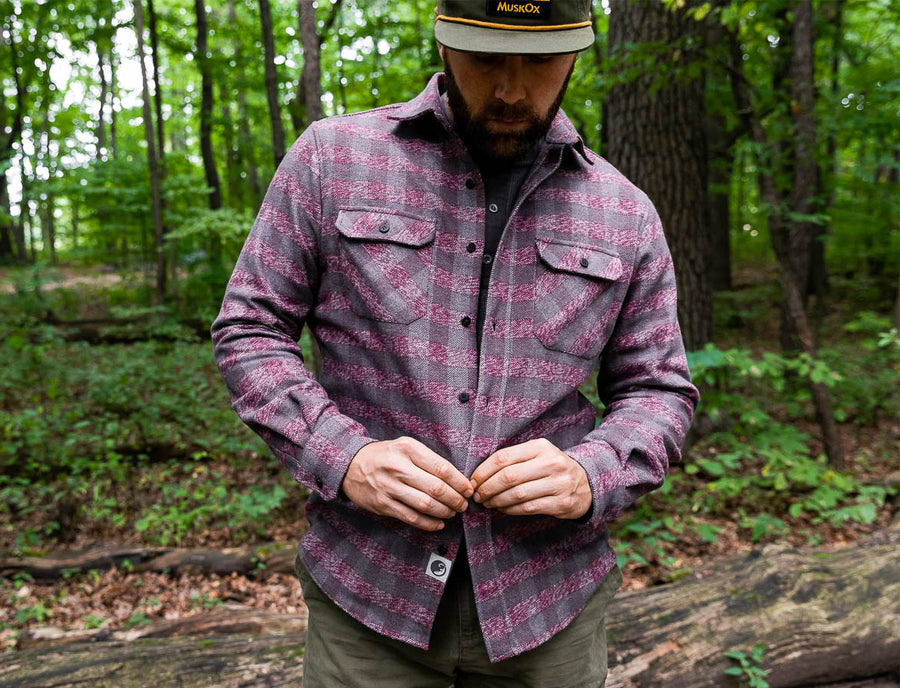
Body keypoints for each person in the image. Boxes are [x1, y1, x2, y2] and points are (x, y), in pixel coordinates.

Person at [211, 0, 698, 684]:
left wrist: (594, 471)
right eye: (485, 57)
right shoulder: (331, 161)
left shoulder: (624, 214)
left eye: (537, 63)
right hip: (369, 601)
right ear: (443, 44)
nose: (509, 88)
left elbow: (659, 389)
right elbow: (250, 329)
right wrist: (344, 456)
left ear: (577, 54)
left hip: (549, 605)